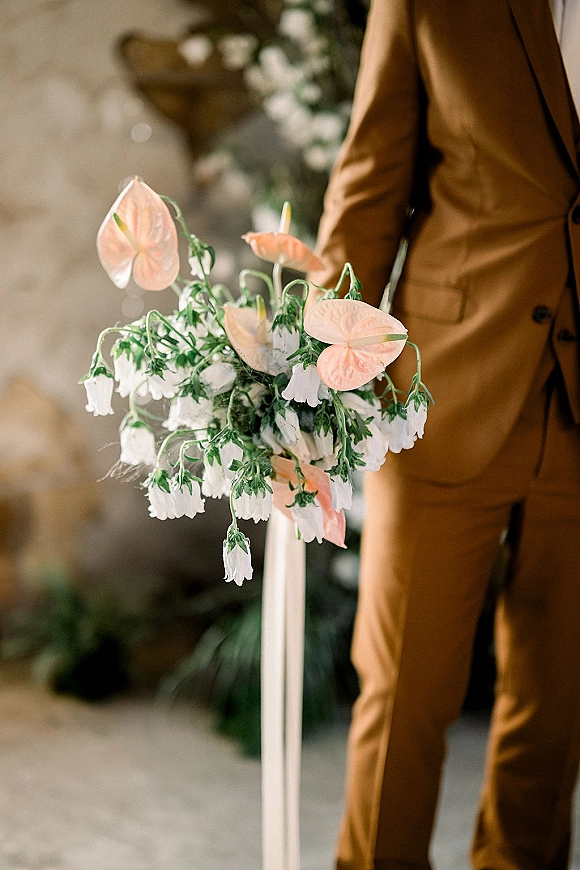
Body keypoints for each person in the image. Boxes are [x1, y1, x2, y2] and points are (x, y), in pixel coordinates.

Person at [309, 1, 580, 868]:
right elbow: (370, 183)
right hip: (439, 388)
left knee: (558, 703)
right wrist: (318, 378)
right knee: (404, 690)